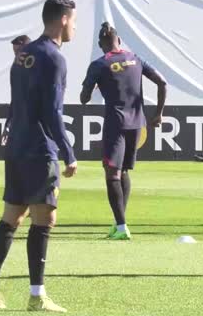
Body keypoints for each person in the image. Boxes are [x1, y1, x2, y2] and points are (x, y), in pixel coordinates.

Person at [0, 0, 78, 312]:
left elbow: (17, 102)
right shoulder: (53, 58)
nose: (74, 26)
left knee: (12, 216)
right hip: (39, 149)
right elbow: (53, 111)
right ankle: (37, 295)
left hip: (17, 148)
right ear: (63, 19)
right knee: (45, 218)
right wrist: (68, 152)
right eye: (73, 20)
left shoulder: (23, 55)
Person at [80, 22, 167, 241]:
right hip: (137, 124)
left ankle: (120, 226)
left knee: (112, 173)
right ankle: (120, 222)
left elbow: (84, 98)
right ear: (118, 40)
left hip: (115, 124)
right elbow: (162, 82)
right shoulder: (135, 58)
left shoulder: (100, 64)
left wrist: (93, 87)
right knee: (124, 172)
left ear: (101, 44)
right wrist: (158, 114)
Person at [2, 35, 32, 146]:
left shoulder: (40, 63)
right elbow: (16, 99)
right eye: (15, 52)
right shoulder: (16, 69)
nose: (17, 55)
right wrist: (8, 125)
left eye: (18, 51)